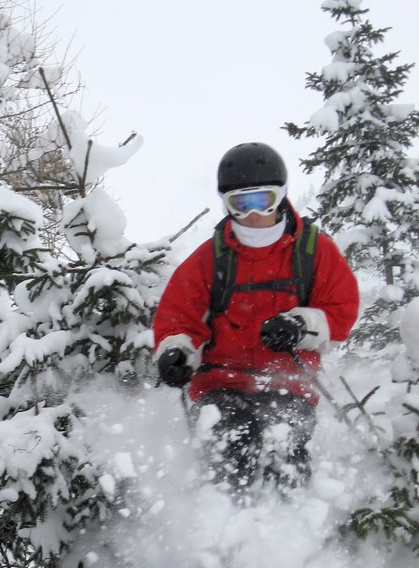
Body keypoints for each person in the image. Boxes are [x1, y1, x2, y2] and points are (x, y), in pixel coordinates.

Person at [153, 142, 359, 497]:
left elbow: (341, 310)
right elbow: (178, 317)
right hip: (222, 384)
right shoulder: (211, 258)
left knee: (286, 448)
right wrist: (176, 352)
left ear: (280, 197)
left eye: (262, 200)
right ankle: (224, 520)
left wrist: (300, 326)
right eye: (240, 204)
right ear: (226, 204)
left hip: (289, 384)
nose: (252, 214)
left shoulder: (313, 250)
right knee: (233, 443)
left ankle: (290, 521)